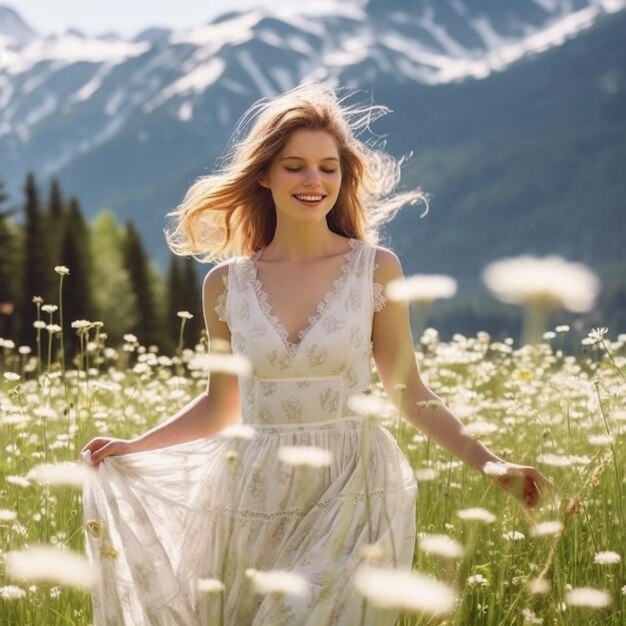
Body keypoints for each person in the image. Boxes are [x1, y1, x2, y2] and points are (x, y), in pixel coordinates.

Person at [80, 83, 548, 625]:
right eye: (295, 166)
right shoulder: (224, 285)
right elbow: (221, 405)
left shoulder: (375, 269)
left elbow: (408, 391)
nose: (314, 181)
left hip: (354, 486)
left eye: (328, 168)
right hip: (252, 492)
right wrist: (135, 446)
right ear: (265, 174)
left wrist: (489, 462)